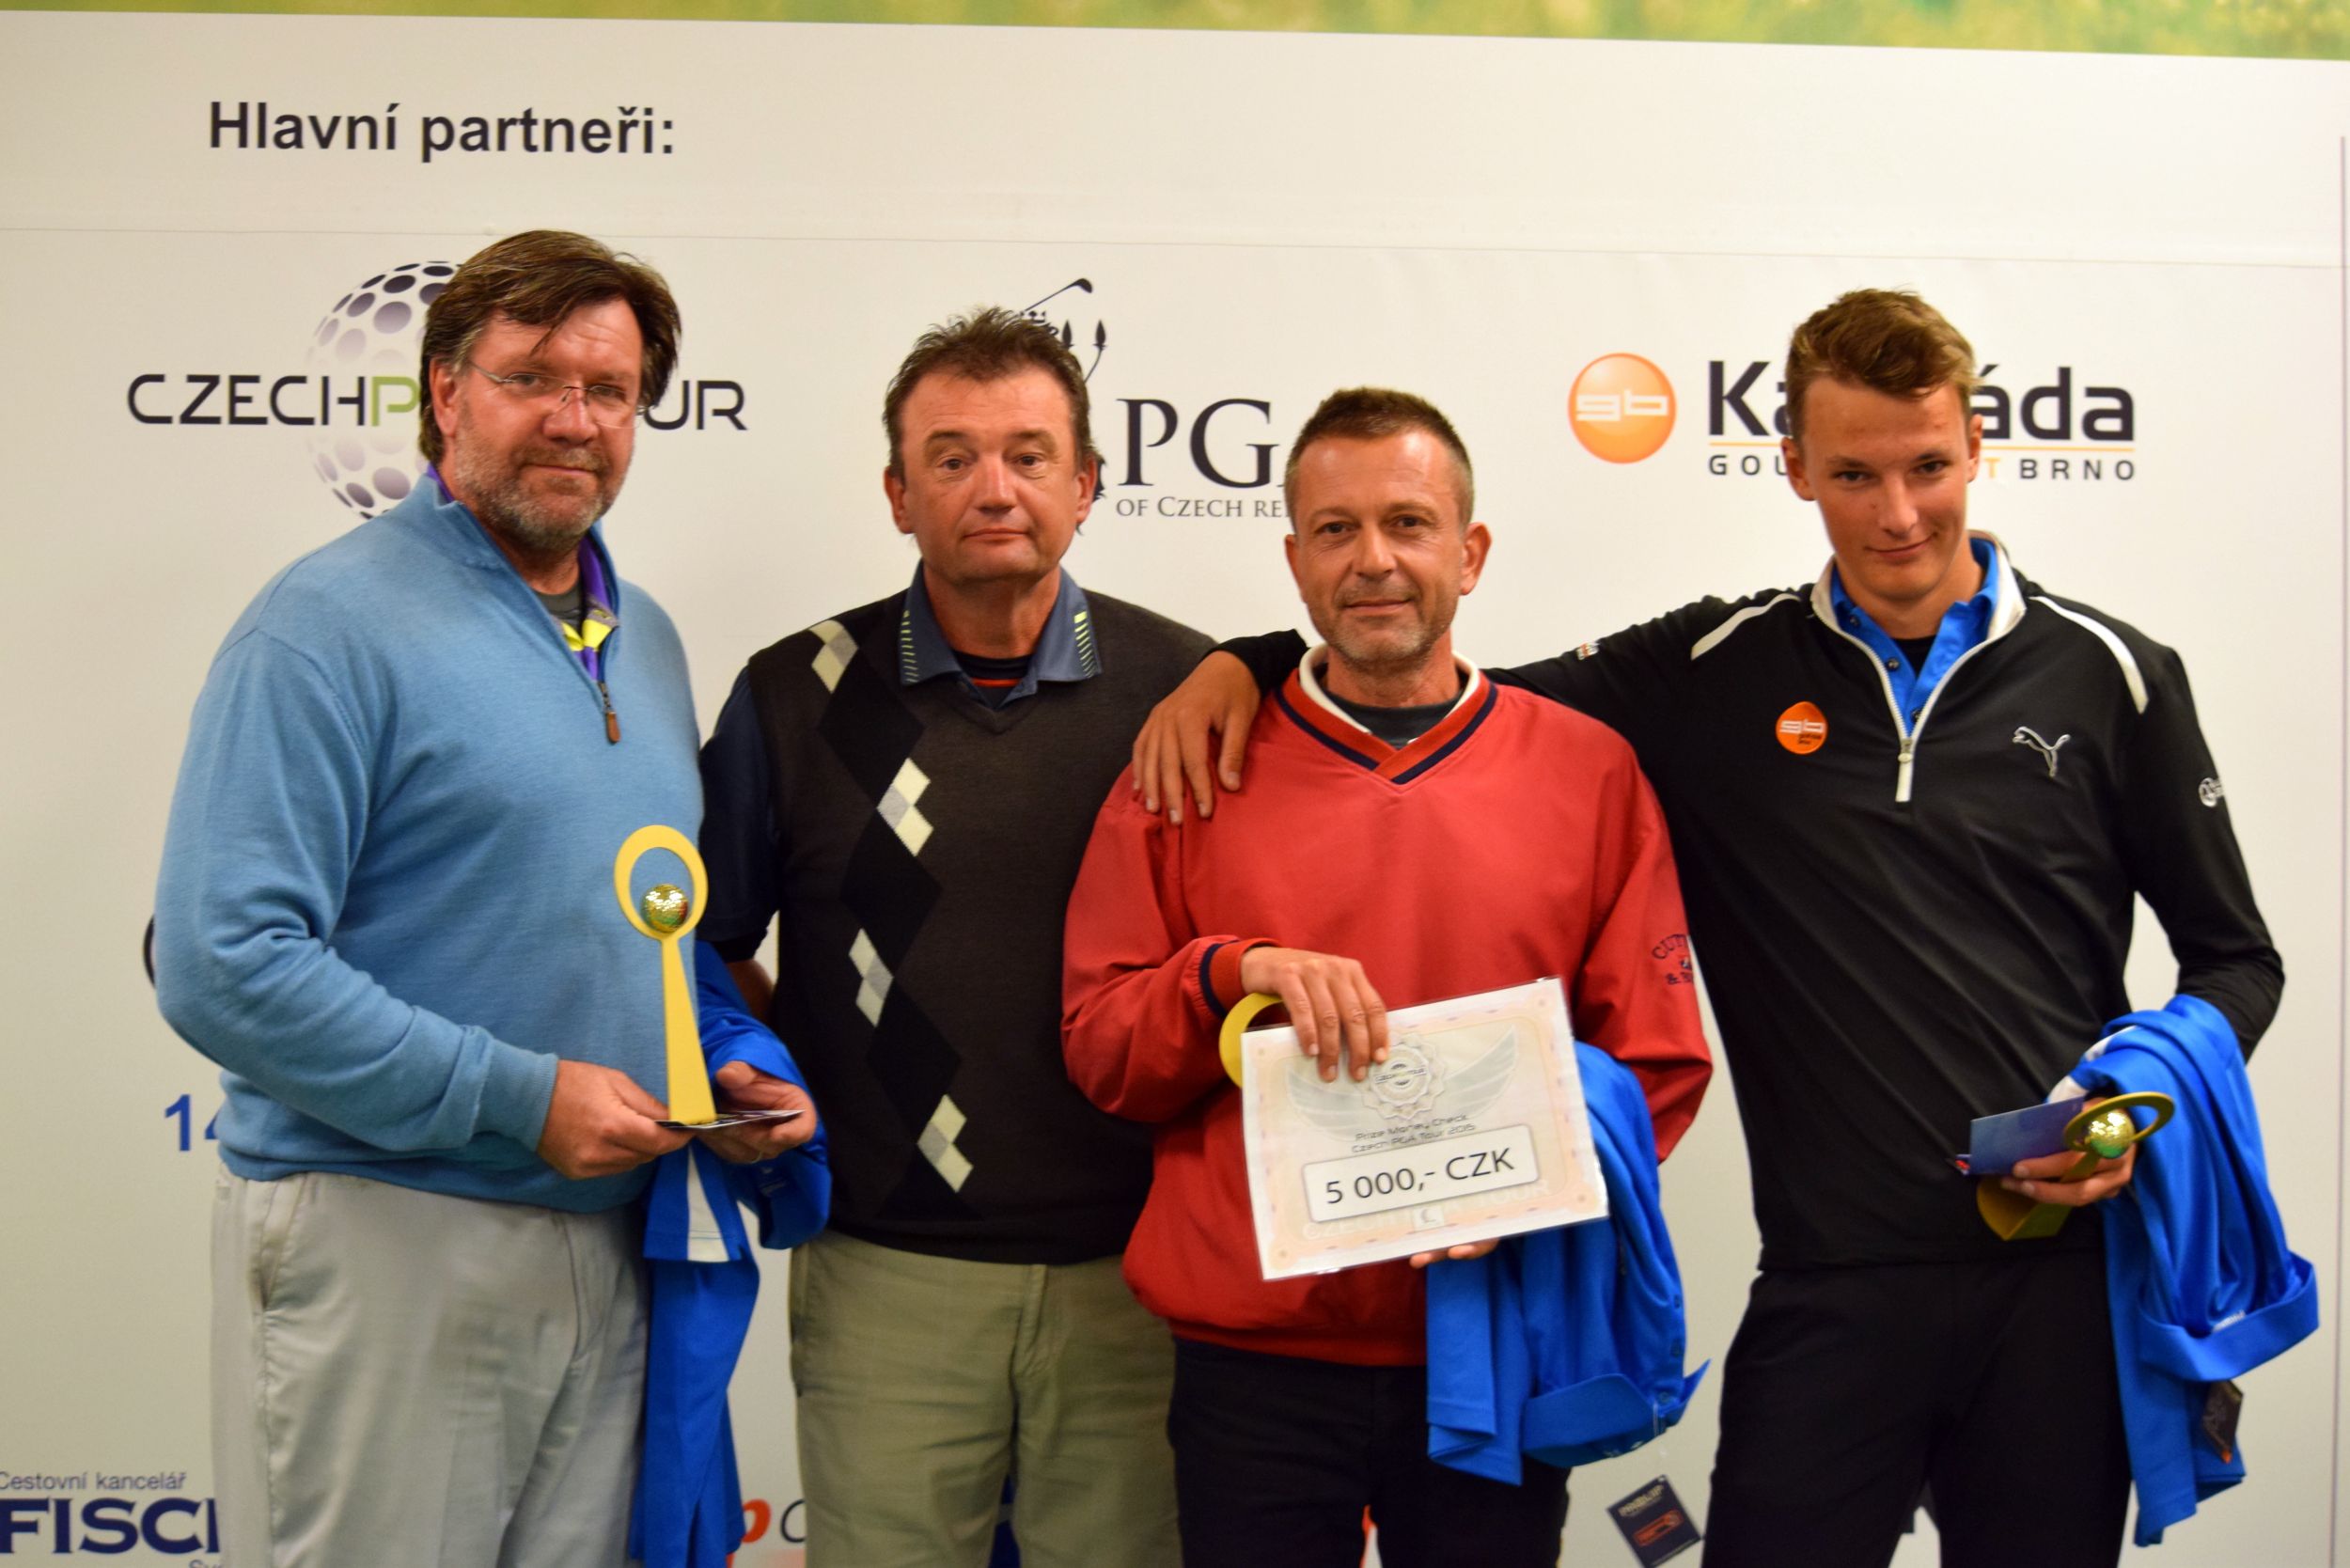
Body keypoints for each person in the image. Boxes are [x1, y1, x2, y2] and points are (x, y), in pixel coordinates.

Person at [1132, 292, 2284, 1567]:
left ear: (1976, 447)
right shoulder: (1717, 667)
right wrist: (1245, 659)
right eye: (1853, 475)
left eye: (1927, 467)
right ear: (1793, 466)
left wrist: (2124, 1102)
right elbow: (1432, 682)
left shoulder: (2117, 674)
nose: (1898, 513)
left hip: (2061, 1282)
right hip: (1830, 1289)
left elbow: (2237, 961)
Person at [152, 229, 820, 1568]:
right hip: (388, 1229)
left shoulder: (646, 637)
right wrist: (520, 1098)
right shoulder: (324, 625)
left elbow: (635, 934)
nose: (576, 419)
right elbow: (224, 961)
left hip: (610, 1239)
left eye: (610, 389)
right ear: (446, 392)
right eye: (531, 378)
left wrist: (717, 1070)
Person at [1061, 388, 1713, 1567]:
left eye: (1408, 524)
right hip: (1253, 1361)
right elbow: (1103, 1046)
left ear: (1470, 552)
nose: (1372, 560)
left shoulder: (1588, 771)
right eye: (1335, 530)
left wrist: (1524, 1190)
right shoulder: (1192, 762)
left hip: (1492, 1337)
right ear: (1294, 562)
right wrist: (1223, 978)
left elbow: (1653, 1066)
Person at [695, 306, 1210, 1567]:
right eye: (952, 456)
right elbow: (698, 941)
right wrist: (741, 1057)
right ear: (897, 494)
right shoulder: (792, 693)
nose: (994, 488)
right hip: (886, 1278)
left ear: (1086, 485)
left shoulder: (1187, 690)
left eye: (1030, 456)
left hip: (1137, 1280)